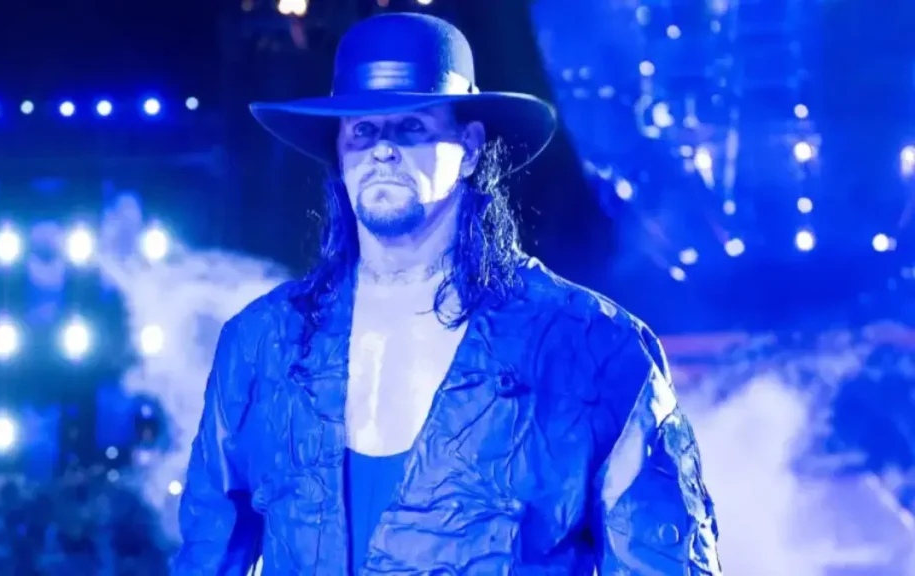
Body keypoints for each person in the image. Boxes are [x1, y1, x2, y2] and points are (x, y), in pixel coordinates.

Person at [173, 12, 721, 575]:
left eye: (411, 126)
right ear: (338, 152)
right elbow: (206, 556)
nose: (382, 151)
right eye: (362, 131)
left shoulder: (592, 348)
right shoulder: (261, 343)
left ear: (471, 147)